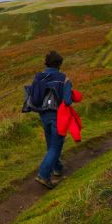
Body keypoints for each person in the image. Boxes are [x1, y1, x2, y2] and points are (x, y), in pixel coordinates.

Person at [30, 50, 73, 189]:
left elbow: (35, 97)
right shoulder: (63, 78)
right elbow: (67, 101)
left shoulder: (38, 77)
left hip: (43, 115)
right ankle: (43, 175)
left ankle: (57, 168)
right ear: (59, 64)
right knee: (56, 146)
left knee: (51, 145)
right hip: (58, 117)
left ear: (46, 63)